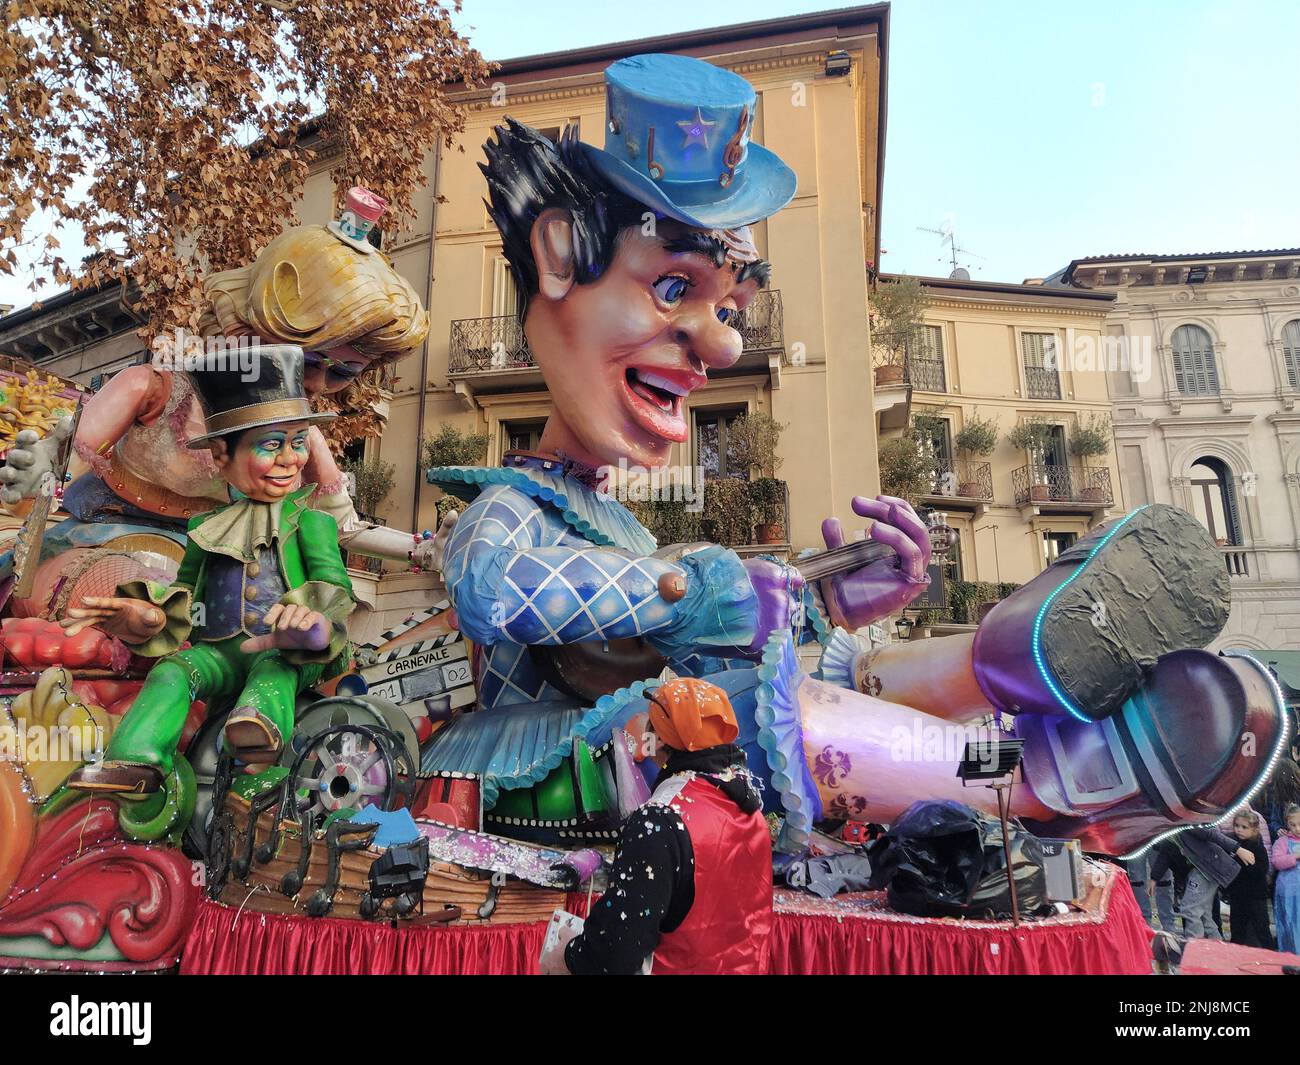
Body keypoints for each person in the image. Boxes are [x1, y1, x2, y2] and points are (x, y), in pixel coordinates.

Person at [62, 346, 357, 841]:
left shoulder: (311, 523)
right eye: (270, 445)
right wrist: (149, 618)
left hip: (288, 652)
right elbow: (183, 596)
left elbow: (335, 589)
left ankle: (256, 736)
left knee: (272, 671)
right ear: (223, 456)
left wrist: (312, 622)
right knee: (175, 671)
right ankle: (137, 762)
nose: (290, 459)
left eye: (298, 441)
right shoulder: (204, 528)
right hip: (218, 653)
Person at [543, 678, 772, 975]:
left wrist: (569, 955)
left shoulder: (659, 820)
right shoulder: (749, 809)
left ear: (659, 740)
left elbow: (615, 951)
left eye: (650, 725)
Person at [1172, 825, 1250, 941]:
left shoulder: (1184, 823)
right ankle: (1216, 944)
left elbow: (1211, 834)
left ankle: (1195, 948)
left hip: (1207, 869)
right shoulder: (1171, 827)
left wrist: (1237, 848)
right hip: (1203, 869)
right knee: (1204, 912)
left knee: (1189, 909)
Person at [1226, 807, 1274, 949]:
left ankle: (1269, 954)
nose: (1239, 829)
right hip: (1237, 895)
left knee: (1261, 929)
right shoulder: (1232, 843)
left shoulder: (1257, 846)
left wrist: (1242, 862)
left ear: (1254, 830)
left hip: (1255, 895)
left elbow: (1261, 870)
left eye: (1244, 827)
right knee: (1237, 929)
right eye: (1237, 826)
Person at [1272, 803, 1300, 954]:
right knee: (1291, 925)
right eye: (1292, 825)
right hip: (1289, 893)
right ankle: (1292, 957)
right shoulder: (1282, 842)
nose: (1297, 828)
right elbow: (1277, 862)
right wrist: (1295, 856)